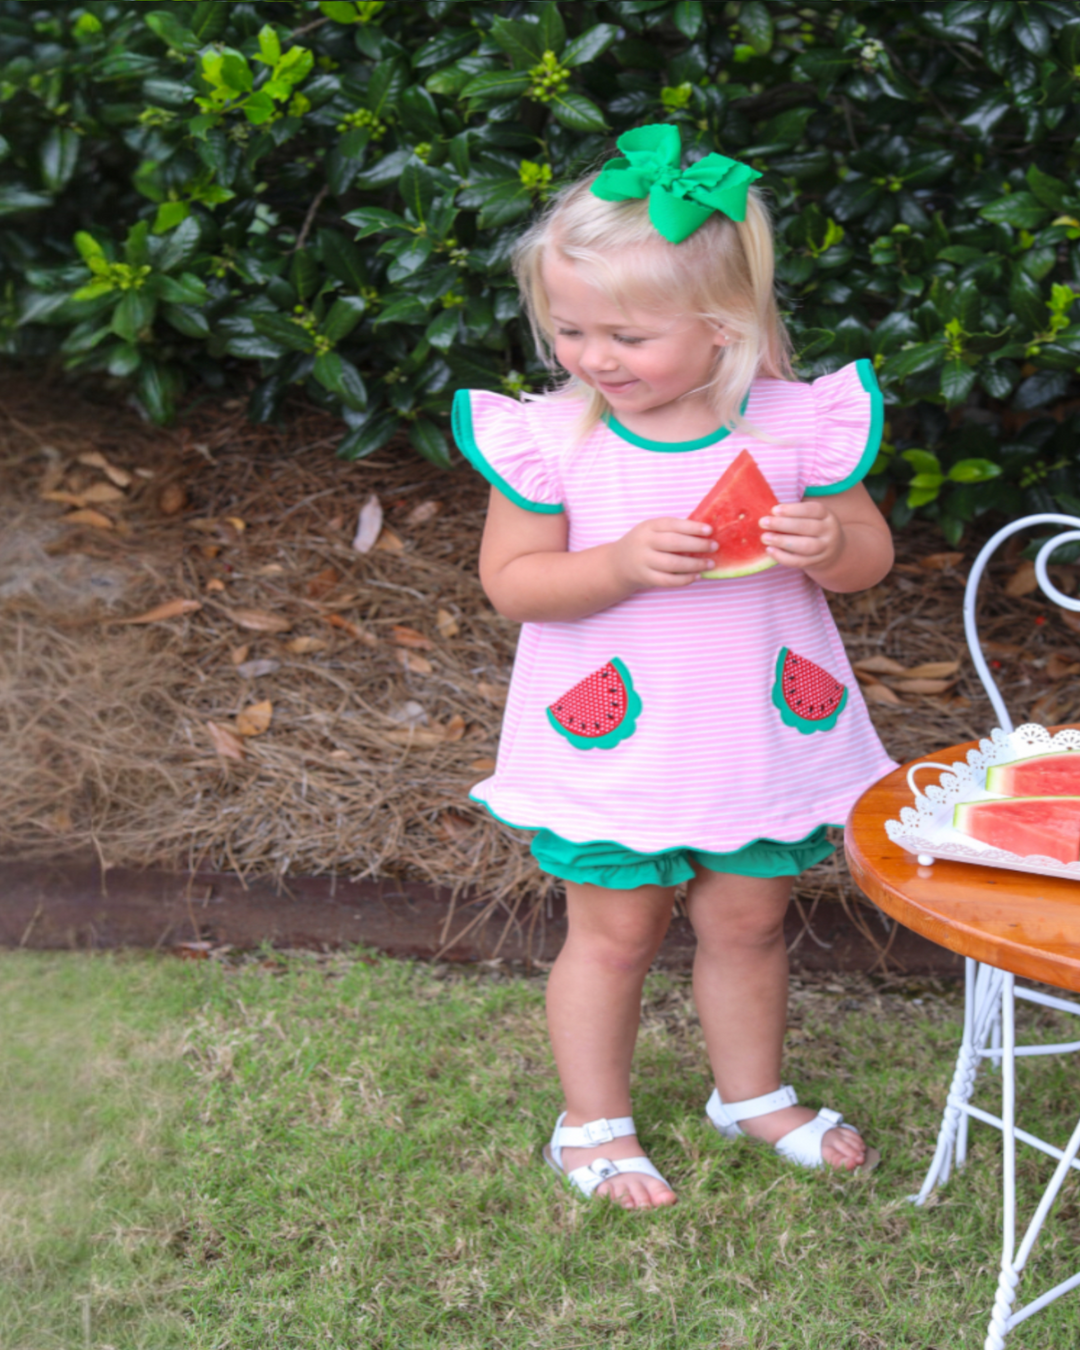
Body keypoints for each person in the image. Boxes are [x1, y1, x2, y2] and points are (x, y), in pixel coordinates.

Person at [451, 124, 896, 1210]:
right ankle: (591, 1124)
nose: (593, 358)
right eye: (569, 329)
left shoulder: (795, 425)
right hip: (615, 747)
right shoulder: (554, 439)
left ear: (722, 327)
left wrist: (827, 545)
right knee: (613, 935)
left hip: (757, 735)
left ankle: (750, 1096)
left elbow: (868, 561)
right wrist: (614, 565)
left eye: (628, 336)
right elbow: (513, 583)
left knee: (749, 924)